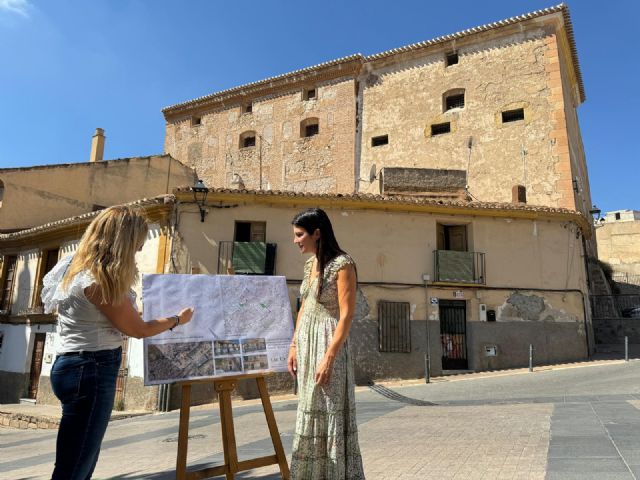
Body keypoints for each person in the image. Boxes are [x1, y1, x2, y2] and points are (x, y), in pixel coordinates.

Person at [41, 205, 194, 480]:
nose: (137, 251)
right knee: (76, 466)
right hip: (92, 368)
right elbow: (138, 329)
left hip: (70, 364)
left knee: (76, 456)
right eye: (135, 245)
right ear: (122, 242)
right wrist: (177, 320)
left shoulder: (73, 266)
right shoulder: (99, 280)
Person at [288, 207, 365, 479]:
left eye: (300, 235)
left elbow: (347, 315)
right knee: (310, 409)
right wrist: (295, 345)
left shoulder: (343, 265)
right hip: (308, 346)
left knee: (329, 409)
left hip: (328, 344)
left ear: (317, 233)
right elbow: (304, 307)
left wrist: (330, 356)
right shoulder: (310, 265)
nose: (296, 240)